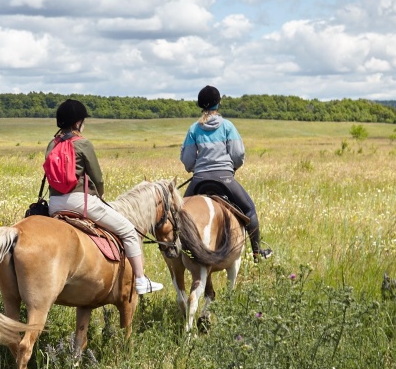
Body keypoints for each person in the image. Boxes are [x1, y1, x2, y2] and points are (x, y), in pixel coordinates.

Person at [45, 99, 163, 295]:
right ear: (77, 123)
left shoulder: (52, 144)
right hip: (80, 203)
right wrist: (99, 195)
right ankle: (141, 280)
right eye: (82, 121)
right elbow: (97, 177)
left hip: (54, 204)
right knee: (128, 231)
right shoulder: (83, 143)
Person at [181, 85, 267, 255]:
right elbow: (238, 154)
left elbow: (187, 160)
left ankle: (180, 253)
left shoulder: (194, 129)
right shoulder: (227, 127)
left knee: (180, 214)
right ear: (218, 104)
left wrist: (195, 169)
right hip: (225, 180)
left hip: (199, 180)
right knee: (250, 210)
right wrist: (233, 167)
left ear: (201, 105)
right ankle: (257, 253)